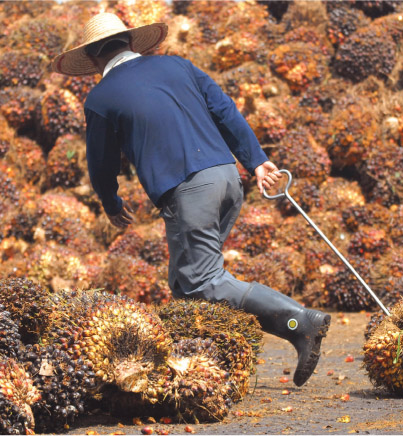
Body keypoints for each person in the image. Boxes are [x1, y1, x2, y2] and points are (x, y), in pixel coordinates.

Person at [51, 12, 331, 387]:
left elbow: (101, 162)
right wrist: (258, 162)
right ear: (132, 43)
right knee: (186, 286)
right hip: (227, 179)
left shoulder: (101, 97)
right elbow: (224, 110)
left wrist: (111, 203)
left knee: (203, 282)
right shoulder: (178, 66)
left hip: (189, 189)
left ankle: (300, 321)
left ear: (94, 58)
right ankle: (206, 369)